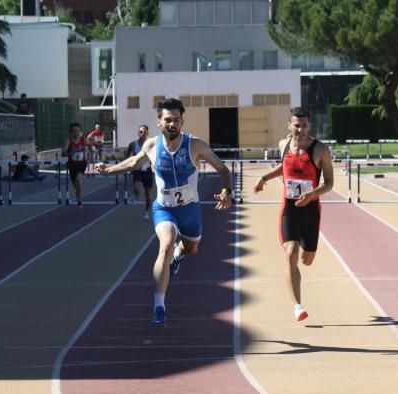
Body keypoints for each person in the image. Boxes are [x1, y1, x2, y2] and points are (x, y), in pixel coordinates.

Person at [95, 98, 233, 327]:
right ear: (159, 122)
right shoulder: (151, 146)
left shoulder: (195, 145)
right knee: (165, 245)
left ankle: (179, 255)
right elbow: (133, 162)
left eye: (176, 120)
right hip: (164, 209)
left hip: (190, 209)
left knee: (192, 249)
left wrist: (227, 191)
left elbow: (222, 169)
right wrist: (109, 170)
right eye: (167, 120)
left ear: (182, 122)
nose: (172, 124)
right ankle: (159, 305)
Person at [253, 107, 334, 322]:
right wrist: (264, 178)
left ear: (310, 126)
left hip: (311, 210)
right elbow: (285, 167)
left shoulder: (320, 150)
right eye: (297, 125)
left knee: (306, 260)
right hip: (289, 209)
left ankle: (301, 264)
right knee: (290, 253)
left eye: (305, 125)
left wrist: (312, 194)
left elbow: (330, 183)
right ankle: (297, 306)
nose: (301, 129)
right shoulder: (284, 145)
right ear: (289, 126)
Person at [126, 124, 154, 219]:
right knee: (138, 189)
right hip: (137, 170)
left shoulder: (151, 144)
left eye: (145, 132)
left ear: (147, 133)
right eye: (141, 132)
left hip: (148, 171)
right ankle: (136, 194)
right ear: (138, 133)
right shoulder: (133, 144)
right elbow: (127, 156)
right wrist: (128, 166)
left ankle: (147, 212)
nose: (143, 133)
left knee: (148, 196)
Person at [62, 122, 89, 208]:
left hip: (82, 163)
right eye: (74, 131)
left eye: (78, 131)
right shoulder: (68, 140)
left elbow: (91, 145)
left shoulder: (83, 140)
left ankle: (80, 202)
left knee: (79, 179)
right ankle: (78, 195)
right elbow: (63, 153)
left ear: (80, 131)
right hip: (72, 165)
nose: (76, 133)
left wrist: (93, 153)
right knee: (75, 185)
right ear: (71, 132)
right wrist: (70, 153)